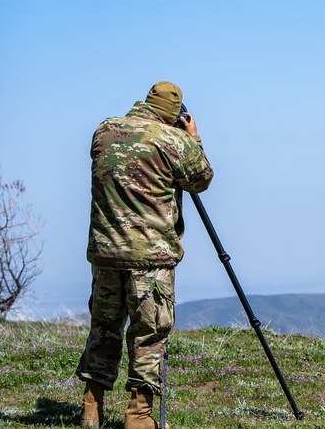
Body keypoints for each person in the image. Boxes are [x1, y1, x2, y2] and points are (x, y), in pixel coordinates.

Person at [76, 82, 214, 429]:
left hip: (106, 252)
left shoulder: (104, 130)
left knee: (104, 328)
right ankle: (138, 416)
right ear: (176, 113)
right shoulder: (173, 140)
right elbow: (201, 179)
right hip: (150, 258)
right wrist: (192, 137)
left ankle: (90, 409)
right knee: (149, 333)